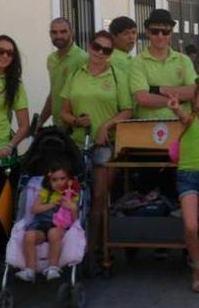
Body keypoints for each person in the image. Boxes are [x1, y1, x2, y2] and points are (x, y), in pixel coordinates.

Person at [60, 30, 133, 256]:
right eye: (96, 47)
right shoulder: (75, 74)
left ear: (111, 54)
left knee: (100, 197)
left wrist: (106, 126)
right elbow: (64, 111)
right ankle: (71, 246)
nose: (100, 53)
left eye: (106, 50)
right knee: (74, 196)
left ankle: (96, 249)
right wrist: (75, 120)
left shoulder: (117, 76)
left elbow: (128, 111)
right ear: (90, 46)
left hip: (105, 145)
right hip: (77, 144)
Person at [166, 82, 199, 293]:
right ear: (195, 104)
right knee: (191, 226)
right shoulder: (190, 120)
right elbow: (182, 116)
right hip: (187, 177)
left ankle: (198, 274)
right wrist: (176, 108)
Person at [16, 164, 80, 282]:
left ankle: (53, 267)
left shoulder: (71, 195)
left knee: (53, 233)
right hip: (41, 225)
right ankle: (30, 269)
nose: (58, 182)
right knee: (29, 235)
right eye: (54, 180)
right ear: (48, 181)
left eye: (62, 179)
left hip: (59, 227)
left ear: (70, 180)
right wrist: (52, 204)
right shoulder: (45, 193)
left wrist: (72, 208)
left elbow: (76, 221)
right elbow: (34, 209)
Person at [129, 9, 197, 119]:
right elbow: (143, 99)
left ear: (171, 33)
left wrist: (158, 90)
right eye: (155, 31)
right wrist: (179, 100)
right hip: (148, 129)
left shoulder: (184, 60)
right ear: (147, 32)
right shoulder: (138, 62)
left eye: (165, 32)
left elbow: (194, 91)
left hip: (182, 126)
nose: (160, 36)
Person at [36, 18, 88, 132]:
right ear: (50, 34)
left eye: (63, 31)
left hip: (77, 128)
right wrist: (40, 121)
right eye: (54, 32)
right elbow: (54, 93)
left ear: (72, 32)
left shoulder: (83, 58)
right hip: (58, 127)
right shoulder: (51, 59)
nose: (58, 36)